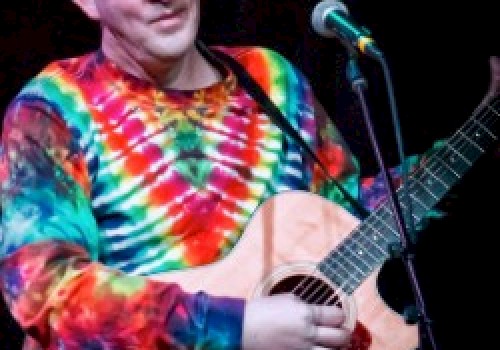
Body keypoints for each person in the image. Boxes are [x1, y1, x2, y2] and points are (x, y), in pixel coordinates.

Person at [0, 1, 498, 349]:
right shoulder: (54, 108)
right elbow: (46, 294)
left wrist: (475, 138)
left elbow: (347, 219)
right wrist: (237, 327)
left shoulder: (270, 78)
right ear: (87, 2)